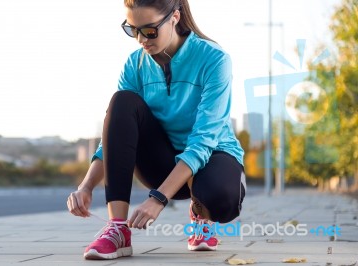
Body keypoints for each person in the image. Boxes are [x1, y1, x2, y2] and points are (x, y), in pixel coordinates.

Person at [67, 0, 246, 260]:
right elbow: (116, 136)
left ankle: (201, 215)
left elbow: (203, 140)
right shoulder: (135, 64)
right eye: (133, 30)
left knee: (221, 201)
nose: (141, 39)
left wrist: (158, 199)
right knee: (122, 102)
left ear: (174, 17)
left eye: (149, 31)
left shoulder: (214, 59)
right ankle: (117, 229)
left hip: (211, 157)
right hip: (160, 161)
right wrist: (86, 186)